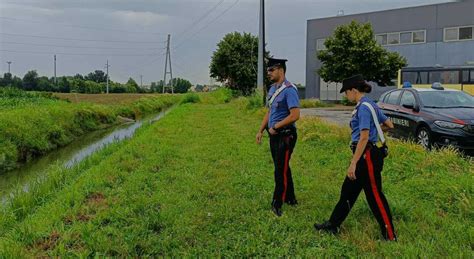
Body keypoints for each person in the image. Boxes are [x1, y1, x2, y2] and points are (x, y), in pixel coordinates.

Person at [314, 74, 397, 241]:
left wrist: (353, 163)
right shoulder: (371, 105)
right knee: (348, 192)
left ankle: (389, 235)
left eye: (346, 92)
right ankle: (333, 225)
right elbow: (389, 125)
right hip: (365, 155)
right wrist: (376, 131)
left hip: (366, 157)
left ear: (353, 90)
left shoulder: (364, 108)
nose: (346, 95)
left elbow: (364, 137)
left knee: (374, 195)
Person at [256, 57, 300, 217]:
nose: (269, 73)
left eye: (271, 70)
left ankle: (277, 203)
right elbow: (269, 112)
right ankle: (291, 198)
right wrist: (261, 130)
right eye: (268, 70)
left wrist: (276, 126)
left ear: (281, 70)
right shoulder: (272, 89)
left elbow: (295, 115)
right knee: (282, 166)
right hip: (273, 135)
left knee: (280, 170)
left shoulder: (290, 90)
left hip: (285, 135)